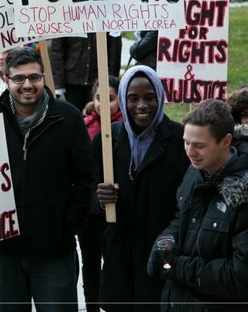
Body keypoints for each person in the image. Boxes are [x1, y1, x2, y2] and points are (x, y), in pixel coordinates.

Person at [0, 47, 96, 311]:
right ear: (6, 80)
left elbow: (86, 176)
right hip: (3, 251)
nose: (27, 84)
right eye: (19, 78)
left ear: (43, 77)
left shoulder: (68, 118)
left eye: (34, 77)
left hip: (54, 251)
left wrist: (70, 225)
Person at [148, 99, 248, 310]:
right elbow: (181, 216)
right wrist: (167, 239)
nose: (190, 152)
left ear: (226, 141)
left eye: (199, 146)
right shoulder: (197, 168)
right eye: (186, 142)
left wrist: (177, 265)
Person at [95, 65, 190, 311]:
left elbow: (188, 199)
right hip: (120, 251)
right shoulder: (108, 139)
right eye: (133, 98)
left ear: (160, 96)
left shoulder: (180, 139)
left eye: (150, 97)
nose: (141, 106)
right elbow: (88, 191)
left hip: (160, 251)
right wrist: (100, 199)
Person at [79, 75, 122, 312]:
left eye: (111, 98)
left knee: (113, 262)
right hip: (88, 210)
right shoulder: (83, 126)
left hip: (116, 209)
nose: (103, 104)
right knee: (90, 262)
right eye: (98, 98)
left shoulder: (127, 128)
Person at [51, 33, 122, 111]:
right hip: (72, 81)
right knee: (74, 116)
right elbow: (57, 50)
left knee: (98, 117)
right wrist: (59, 85)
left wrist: (112, 81)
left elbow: (115, 51)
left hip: (99, 81)